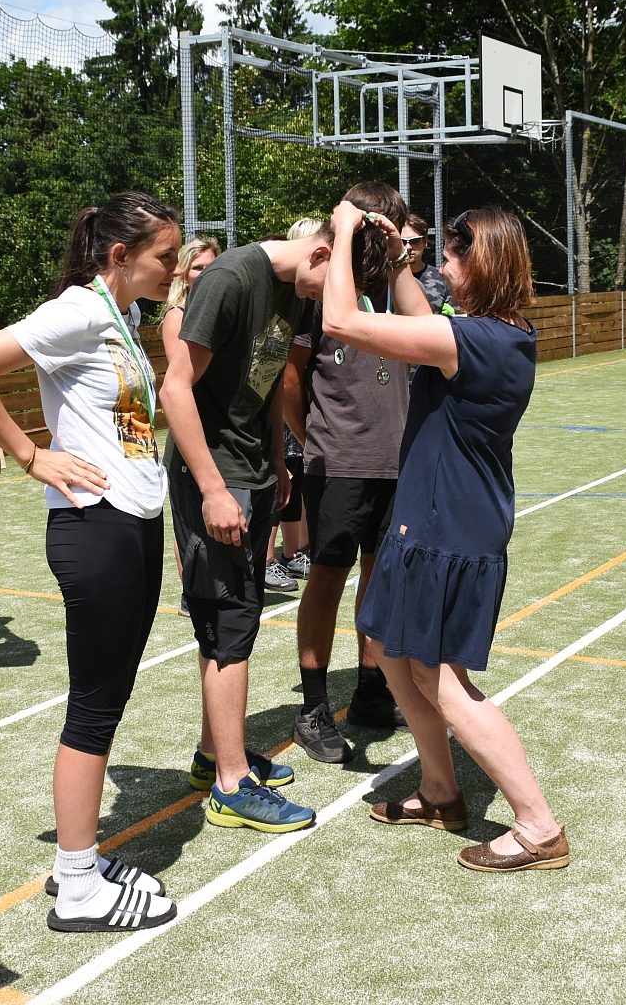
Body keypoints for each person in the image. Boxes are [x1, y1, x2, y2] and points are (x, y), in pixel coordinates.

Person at [0, 192, 182, 933]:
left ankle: (80, 860)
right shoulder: (79, 311)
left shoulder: (124, 316)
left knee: (108, 699)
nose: (174, 268)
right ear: (120, 256)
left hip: (130, 521)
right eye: (165, 257)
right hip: (94, 528)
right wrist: (30, 454)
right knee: (95, 707)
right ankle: (78, 885)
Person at [322, 202, 569, 872]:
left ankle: (539, 826)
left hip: (447, 525)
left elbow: (340, 321)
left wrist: (343, 234)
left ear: (480, 265)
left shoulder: (473, 341)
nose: (440, 266)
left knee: (443, 680)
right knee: (389, 648)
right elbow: (420, 315)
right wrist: (395, 260)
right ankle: (439, 791)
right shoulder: (500, 333)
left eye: (452, 257)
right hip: (436, 517)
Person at [158, 217, 378, 833]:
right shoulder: (230, 277)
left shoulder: (295, 288)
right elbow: (175, 390)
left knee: (236, 618)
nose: (331, 302)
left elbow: (269, 382)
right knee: (229, 624)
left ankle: (214, 755)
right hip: (216, 476)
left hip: (254, 472)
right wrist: (212, 488)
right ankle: (231, 785)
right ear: (319, 254)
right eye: (333, 283)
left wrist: (279, 462)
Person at [282, 184, 414, 765]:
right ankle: (313, 707)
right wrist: (315, 439)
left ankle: (371, 690)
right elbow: (290, 377)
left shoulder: (398, 286)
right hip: (338, 464)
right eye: (376, 227)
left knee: (379, 579)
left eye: (394, 228)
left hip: (396, 462)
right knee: (327, 580)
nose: (385, 239)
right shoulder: (321, 286)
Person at [261, 217, 326, 595]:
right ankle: (267, 558)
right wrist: (306, 435)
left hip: (293, 411)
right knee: (277, 483)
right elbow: (277, 371)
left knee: (291, 483)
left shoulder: (303, 299)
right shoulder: (287, 301)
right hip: (281, 413)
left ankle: (289, 552)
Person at [160, 235, 219, 615]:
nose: (206, 273)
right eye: (198, 267)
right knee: (190, 523)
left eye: (212, 265)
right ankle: (191, 593)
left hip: (219, 431)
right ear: (183, 272)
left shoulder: (222, 308)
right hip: (190, 432)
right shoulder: (176, 316)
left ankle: (211, 588)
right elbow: (183, 382)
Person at [402, 214, 455, 314]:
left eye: (415, 241)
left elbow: (457, 318)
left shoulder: (442, 279)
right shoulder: (387, 280)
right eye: (402, 242)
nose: (408, 247)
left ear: (425, 241)